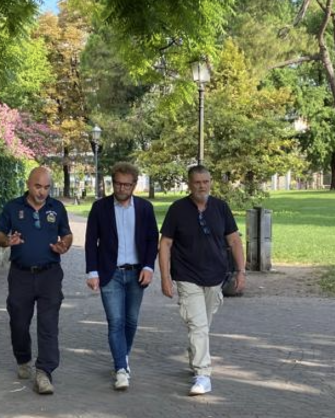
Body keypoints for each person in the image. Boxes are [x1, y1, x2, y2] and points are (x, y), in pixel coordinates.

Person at [158, 165, 245, 396]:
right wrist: (165, 277)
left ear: (210, 182)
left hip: (215, 277)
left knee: (203, 325)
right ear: (189, 184)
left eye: (206, 181)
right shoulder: (177, 210)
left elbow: (235, 241)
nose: (202, 186)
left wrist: (241, 271)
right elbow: (165, 244)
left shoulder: (220, 207)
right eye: (197, 182)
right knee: (198, 326)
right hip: (187, 277)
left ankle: (195, 357)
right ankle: (203, 374)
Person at [0, 166, 73, 395]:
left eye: (47, 187)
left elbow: (66, 233)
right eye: (38, 186)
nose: (42, 192)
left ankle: (44, 372)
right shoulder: (13, 207)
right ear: (28, 184)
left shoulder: (56, 207)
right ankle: (23, 357)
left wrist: (64, 245)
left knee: (48, 324)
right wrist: (7, 241)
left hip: (50, 274)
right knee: (18, 321)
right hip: (21, 274)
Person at [85, 162, 159, 391]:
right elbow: (90, 242)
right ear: (112, 182)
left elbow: (151, 239)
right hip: (110, 273)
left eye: (127, 184)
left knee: (131, 321)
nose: (122, 188)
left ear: (135, 185)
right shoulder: (100, 208)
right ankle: (121, 368)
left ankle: (122, 357)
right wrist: (92, 271)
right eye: (118, 183)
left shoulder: (145, 208)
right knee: (115, 321)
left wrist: (149, 266)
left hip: (137, 272)